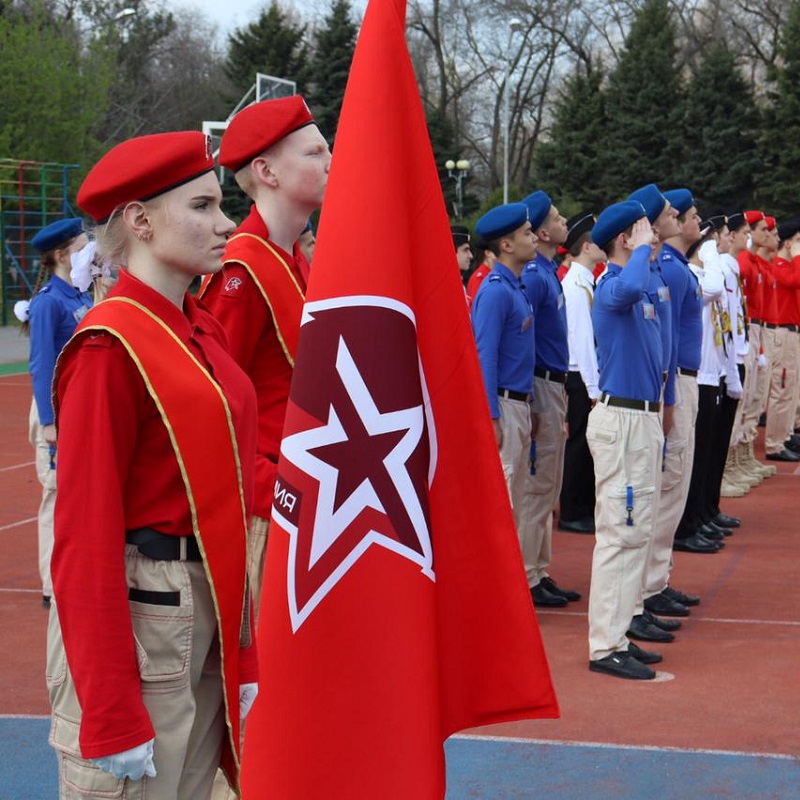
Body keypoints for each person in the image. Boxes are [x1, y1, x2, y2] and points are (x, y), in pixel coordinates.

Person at [48, 131, 258, 799]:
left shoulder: (198, 328)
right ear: (138, 220)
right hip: (145, 616)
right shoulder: (109, 347)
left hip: (203, 600)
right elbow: (83, 537)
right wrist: (110, 711)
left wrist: (242, 646)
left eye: (220, 205)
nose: (225, 223)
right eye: (201, 205)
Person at [200, 95, 331, 613]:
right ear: (266, 171)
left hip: (311, 493)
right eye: (315, 151)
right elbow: (215, 400)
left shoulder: (295, 260)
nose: (331, 162)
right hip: (272, 506)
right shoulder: (242, 269)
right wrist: (272, 494)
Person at [585, 200, 664, 681]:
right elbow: (632, 282)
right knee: (620, 531)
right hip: (624, 422)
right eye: (642, 229)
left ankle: (619, 634)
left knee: (637, 531)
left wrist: (643, 250)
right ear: (624, 240)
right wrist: (637, 251)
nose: (652, 233)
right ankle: (604, 645)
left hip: (643, 420)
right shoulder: (613, 284)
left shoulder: (633, 284)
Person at [637, 188, 704, 629]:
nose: (692, 220)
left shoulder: (677, 268)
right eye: (687, 214)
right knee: (669, 480)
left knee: (675, 486)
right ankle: (649, 585)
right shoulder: (671, 271)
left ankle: (658, 578)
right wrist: (669, 395)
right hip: (675, 379)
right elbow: (668, 340)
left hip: (684, 378)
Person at [19, 218, 93, 609]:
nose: (90, 252)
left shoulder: (80, 296)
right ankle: (52, 585)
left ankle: (71, 573)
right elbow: (42, 363)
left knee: (75, 495)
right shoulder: (49, 301)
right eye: (83, 246)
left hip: (77, 408)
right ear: (63, 254)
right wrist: (48, 421)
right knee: (55, 495)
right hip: (55, 410)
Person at [519, 190, 580, 607]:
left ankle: (539, 569)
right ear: (542, 232)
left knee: (547, 485)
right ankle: (526, 576)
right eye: (558, 219)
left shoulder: (546, 272)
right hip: (541, 383)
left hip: (552, 383)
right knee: (537, 486)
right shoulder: (536, 278)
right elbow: (525, 341)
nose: (564, 224)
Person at [471, 203, 537, 567]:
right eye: (527, 233)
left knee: (518, 500)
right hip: (503, 405)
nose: (534, 237)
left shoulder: (516, 286)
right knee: (503, 502)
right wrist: (491, 416)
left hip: (519, 404)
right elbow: (485, 355)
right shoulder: (496, 291)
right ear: (506, 245)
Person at [558, 211, 602, 535]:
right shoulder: (574, 286)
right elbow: (582, 341)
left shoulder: (587, 281)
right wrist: (592, 388)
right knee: (579, 445)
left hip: (584, 375)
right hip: (579, 376)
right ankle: (573, 510)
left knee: (586, 446)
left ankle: (582, 506)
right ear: (586, 246)